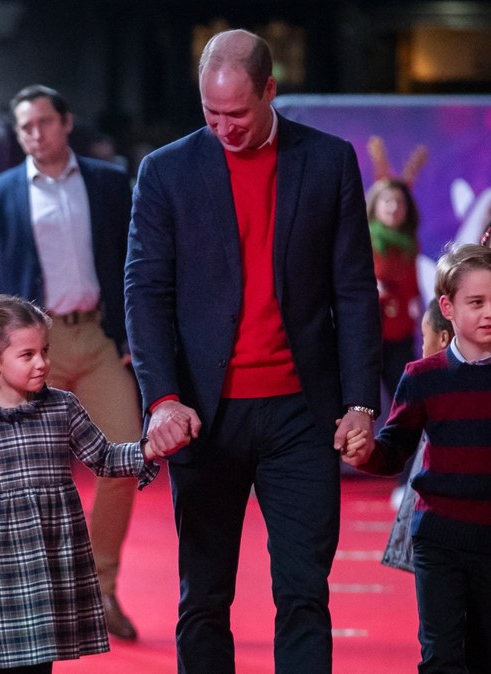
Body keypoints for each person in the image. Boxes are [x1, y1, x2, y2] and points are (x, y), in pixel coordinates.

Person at [123, 29, 381, 672]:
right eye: (210, 114)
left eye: (237, 113)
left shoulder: (328, 161)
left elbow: (353, 292)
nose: (223, 128)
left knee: (303, 595)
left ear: (270, 90)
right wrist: (161, 398)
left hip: (302, 414)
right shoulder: (166, 170)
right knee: (204, 598)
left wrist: (359, 403)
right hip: (204, 416)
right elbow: (145, 293)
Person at [0, 84, 143, 640]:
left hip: (97, 339)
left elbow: (139, 259)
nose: (35, 134)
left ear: (66, 122)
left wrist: (139, 333)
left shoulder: (110, 183)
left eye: (43, 122)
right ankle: (34, 597)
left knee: (125, 457)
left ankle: (101, 584)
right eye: (24, 128)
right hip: (26, 351)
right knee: (25, 476)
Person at [346, 244, 491, 673]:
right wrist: (368, 452)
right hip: (438, 538)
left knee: (488, 656)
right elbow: (394, 450)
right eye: (477, 302)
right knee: (441, 656)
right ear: (447, 307)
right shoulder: (422, 377)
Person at [0, 295, 162, 672]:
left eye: (45, 351)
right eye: (28, 354)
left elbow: (104, 456)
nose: (43, 363)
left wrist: (147, 449)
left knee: (39, 665)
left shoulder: (62, 407)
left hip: (45, 567)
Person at [381, 298, 453, 574]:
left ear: (444, 338)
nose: (422, 348)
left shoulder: (423, 382)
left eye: (425, 338)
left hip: (440, 530)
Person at [366, 177, 422, 407]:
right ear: (375, 204)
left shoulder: (409, 243)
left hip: (400, 336)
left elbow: (412, 288)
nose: (394, 207)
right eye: (387, 201)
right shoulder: (362, 239)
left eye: (400, 202)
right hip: (369, 336)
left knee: (405, 401)